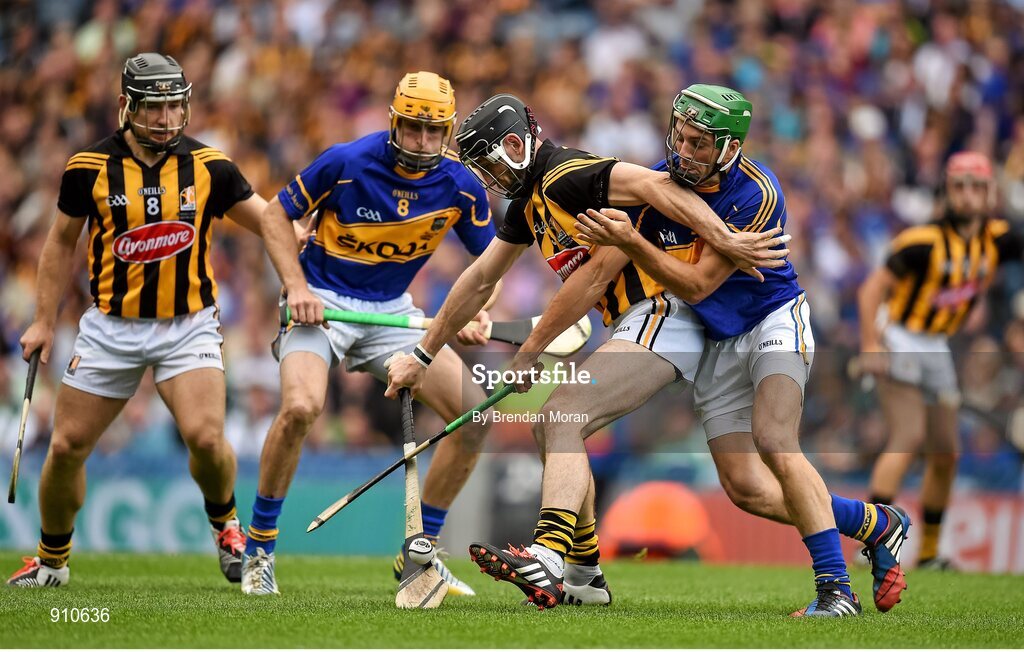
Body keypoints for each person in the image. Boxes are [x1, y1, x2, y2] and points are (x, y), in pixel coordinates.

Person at [386, 92, 788, 608]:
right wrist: (423, 355)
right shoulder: (530, 203)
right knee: (550, 426)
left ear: (514, 145)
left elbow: (657, 184)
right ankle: (585, 575)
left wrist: (724, 238)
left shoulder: (565, 174)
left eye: (488, 163)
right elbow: (480, 279)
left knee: (562, 416)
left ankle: (550, 557)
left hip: (662, 312)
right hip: (634, 322)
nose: (486, 179)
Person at [572, 85, 912, 617]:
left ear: (729, 149)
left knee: (774, 439)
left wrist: (633, 242)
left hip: (773, 319)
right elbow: (603, 271)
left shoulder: (757, 194)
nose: (684, 152)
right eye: (680, 138)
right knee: (746, 488)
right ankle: (872, 523)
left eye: (699, 144)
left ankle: (835, 591)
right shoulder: (658, 179)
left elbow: (699, 285)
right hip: (717, 342)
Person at [7, 53, 266, 587]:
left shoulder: (209, 165)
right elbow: (59, 245)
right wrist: (39, 320)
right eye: (156, 107)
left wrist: (305, 238)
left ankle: (227, 527)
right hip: (110, 327)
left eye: (176, 106)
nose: (169, 119)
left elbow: (265, 219)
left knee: (207, 438)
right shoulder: (89, 167)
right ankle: (52, 560)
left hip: (187, 323)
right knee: (64, 447)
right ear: (127, 107)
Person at [240, 72, 497, 596]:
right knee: (301, 408)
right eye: (412, 130)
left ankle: (419, 555)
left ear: (447, 131)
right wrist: (295, 286)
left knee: (475, 416)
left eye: (434, 132)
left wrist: (479, 311)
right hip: (322, 305)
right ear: (393, 122)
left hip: (392, 315)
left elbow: (491, 265)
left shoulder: (461, 185)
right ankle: (259, 549)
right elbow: (273, 216)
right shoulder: (346, 162)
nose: (423, 143)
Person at [858, 151, 1022, 570]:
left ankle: (928, 554)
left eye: (977, 186)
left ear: (990, 193)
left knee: (946, 454)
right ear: (948, 192)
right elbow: (870, 291)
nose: (969, 195)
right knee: (908, 437)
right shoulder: (922, 242)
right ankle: (871, 547)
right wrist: (872, 344)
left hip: (936, 346)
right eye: (960, 186)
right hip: (899, 336)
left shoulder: (1000, 238)